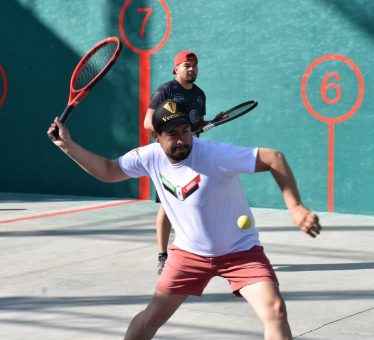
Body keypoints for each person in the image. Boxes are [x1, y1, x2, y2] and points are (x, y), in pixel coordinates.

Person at [47, 99, 321, 340]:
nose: (182, 139)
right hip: (189, 255)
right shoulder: (148, 157)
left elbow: (274, 158)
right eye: (172, 133)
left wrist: (295, 207)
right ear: (156, 136)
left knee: (275, 311)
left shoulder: (214, 154)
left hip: (241, 252)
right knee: (152, 317)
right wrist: (67, 144)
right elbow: (108, 170)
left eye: (185, 131)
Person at [144, 50, 207, 274]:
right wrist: (172, 131)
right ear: (176, 69)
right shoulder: (166, 90)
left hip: (192, 155)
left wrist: (211, 121)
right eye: (186, 65)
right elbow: (147, 122)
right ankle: (163, 255)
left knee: (197, 201)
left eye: (195, 65)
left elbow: (196, 124)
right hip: (169, 157)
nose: (191, 69)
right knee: (167, 205)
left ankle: (195, 251)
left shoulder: (200, 95)